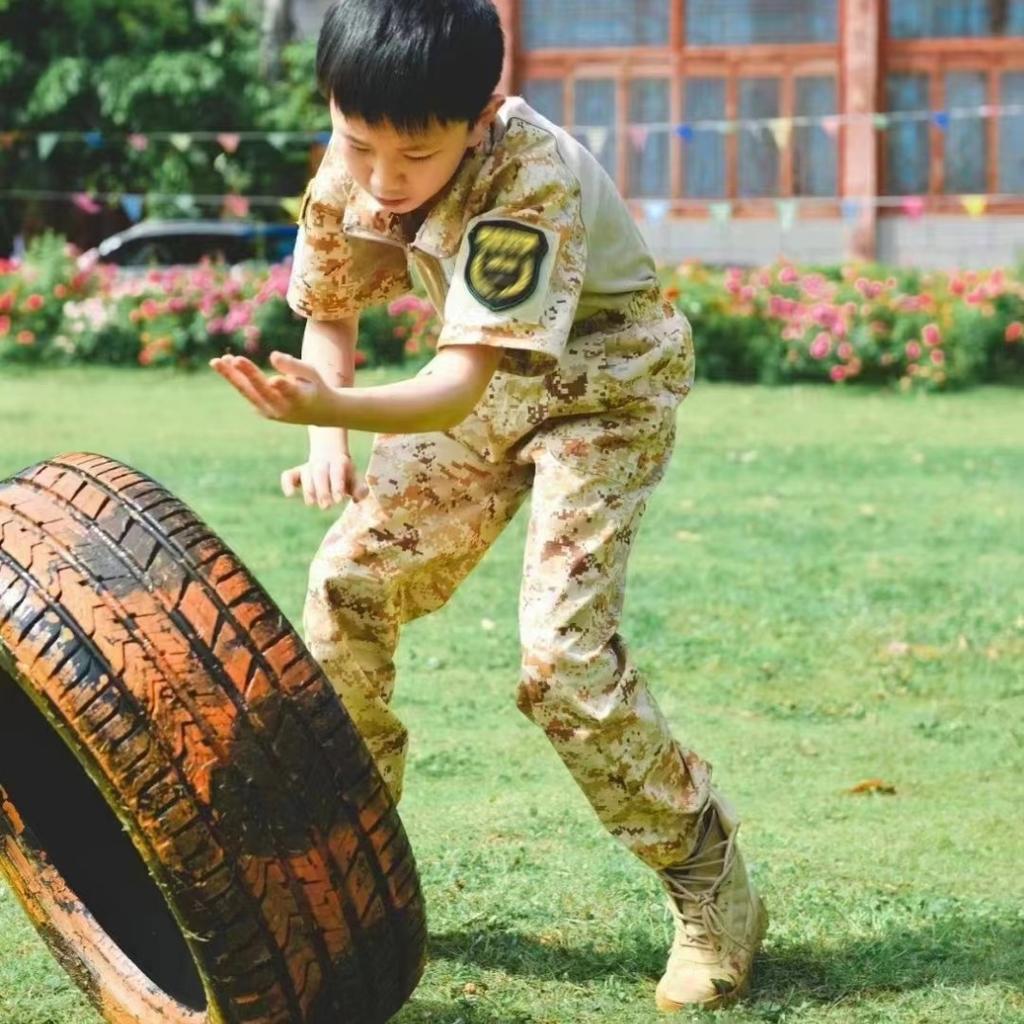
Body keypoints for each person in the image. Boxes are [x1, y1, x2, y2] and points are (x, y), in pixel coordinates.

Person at [209, 0, 767, 1010]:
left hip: (605, 389)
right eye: (358, 143)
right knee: (346, 583)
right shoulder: (359, 150)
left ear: (481, 116)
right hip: (487, 389)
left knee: (559, 661)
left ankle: (708, 882)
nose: (382, 176)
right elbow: (330, 310)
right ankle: (355, 868)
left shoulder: (529, 176)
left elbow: (455, 385)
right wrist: (325, 441)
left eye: (415, 156)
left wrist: (332, 406)